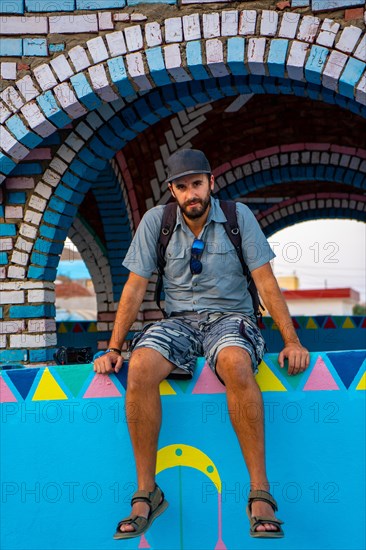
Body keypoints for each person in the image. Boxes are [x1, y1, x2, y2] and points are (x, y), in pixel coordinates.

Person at [94, 149, 310, 540]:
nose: (191, 193)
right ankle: (147, 491)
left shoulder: (238, 217)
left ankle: (260, 492)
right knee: (139, 365)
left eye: (196, 184)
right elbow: (134, 288)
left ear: (210, 182)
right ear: (173, 191)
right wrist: (113, 347)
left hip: (232, 319)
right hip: (178, 323)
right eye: (182, 187)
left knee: (234, 361)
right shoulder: (156, 222)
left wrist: (292, 341)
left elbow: (265, 282)